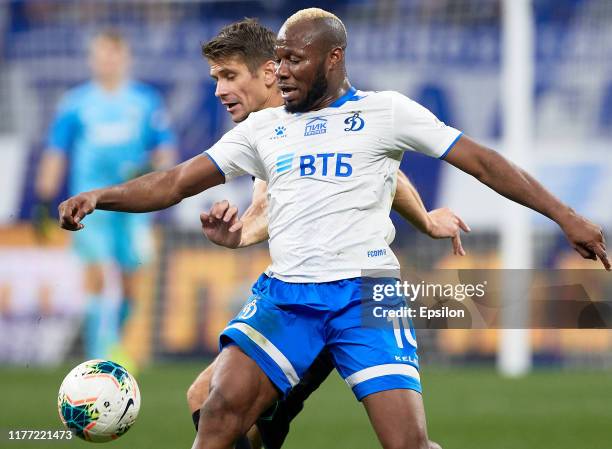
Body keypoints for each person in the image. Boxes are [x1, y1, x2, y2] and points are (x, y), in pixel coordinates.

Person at [57, 9, 610, 449]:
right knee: (216, 412)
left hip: (367, 296)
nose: (285, 72)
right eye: (279, 61)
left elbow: (481, 162)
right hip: (288, 296)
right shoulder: (264, 129)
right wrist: (100, 196)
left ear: (333, 58)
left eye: (295, 60)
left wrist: (567, 217)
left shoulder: (385, 112)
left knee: (406, 443)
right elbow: (175, 182)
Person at [187, 19, 466, 449]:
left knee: (222, 410)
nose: (220, 91)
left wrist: (425, 221)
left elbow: (379, 169)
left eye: (229, 77)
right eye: (216, 78)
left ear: (266, 73)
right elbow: (376, 172)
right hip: (302, 292)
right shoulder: (267, 126)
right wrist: (426, 220)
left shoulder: (301, 113)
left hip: (332, 295)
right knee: (214, 406)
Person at [36, 30, 176, 363]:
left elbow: (166, 153)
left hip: (133, 205)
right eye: (101, 55)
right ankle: (101, 358)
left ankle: (113, 345)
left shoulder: (145, 102)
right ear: (93, 60)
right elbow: (56, 152)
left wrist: (149, 168)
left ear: (125, 58)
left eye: (113, 54)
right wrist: (43, 199)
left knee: (130, 284)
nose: (107, 61)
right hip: (89, 205)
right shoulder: (76, 103)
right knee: (97, 276)